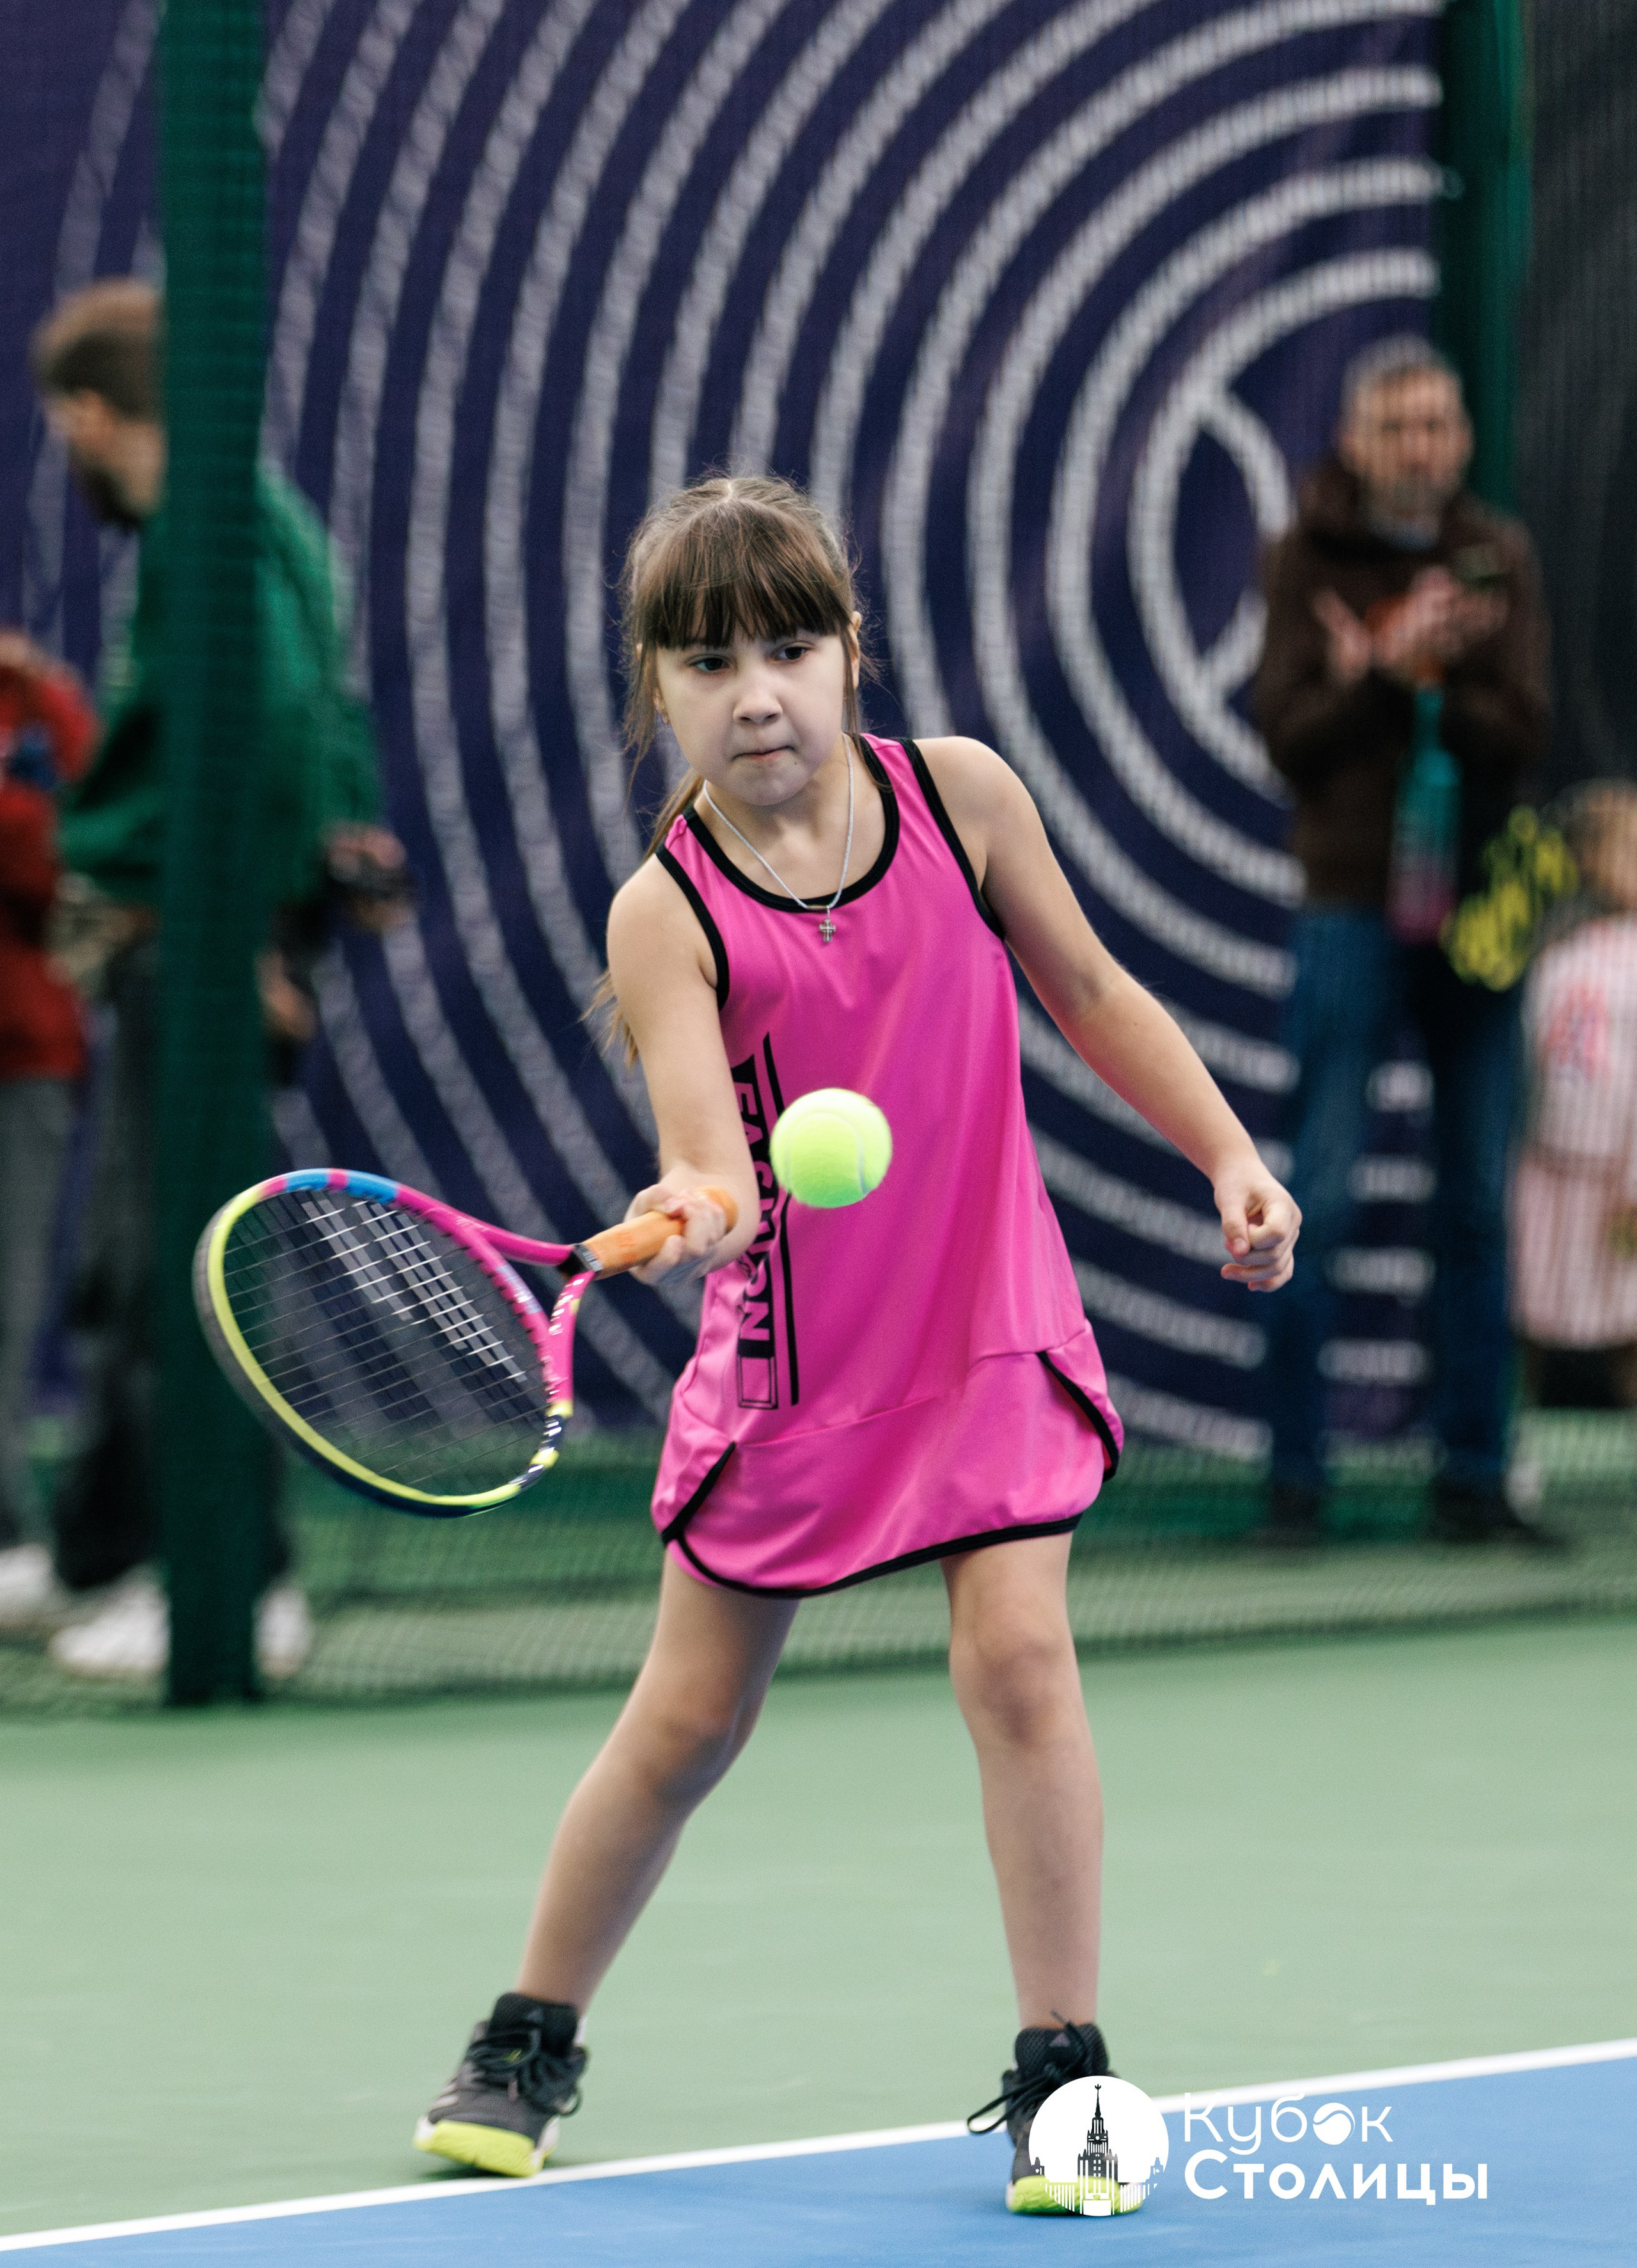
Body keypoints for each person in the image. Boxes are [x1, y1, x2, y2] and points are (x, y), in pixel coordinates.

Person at [411, 476, 1301, 2212]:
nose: (760, 691)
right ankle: (529, 2029)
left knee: (1023, 1666)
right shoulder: (662, 909)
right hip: (801, 1364)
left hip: (990, 1319)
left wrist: (1227, 1149)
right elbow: (707, 1156)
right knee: (684, 1725)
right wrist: (704, 1205)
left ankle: (1066, 2074)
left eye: (793, 646)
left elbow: (1096, 990)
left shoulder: (959, 797)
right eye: (710, 657)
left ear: (852, 653)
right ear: (653, 689)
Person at [18, 278, 407, 1681]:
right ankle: (102, 1552)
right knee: (135, 1262)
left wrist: (246, 936)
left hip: (204, 953)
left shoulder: (211, 526)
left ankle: (240, 1583)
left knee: (202, 1268)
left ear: (84, 413)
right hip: (191, 947)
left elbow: (286, 718)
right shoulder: (245, 515)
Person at [1253, 336, 1554, 1547]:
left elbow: (1525, 727)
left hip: (1477, 920)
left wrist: (1437, 661)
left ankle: (1475, 1480)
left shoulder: (1505, 555)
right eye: (1397, 427)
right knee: (1309, 1190)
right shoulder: (1302, 557)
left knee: (1478, 1202)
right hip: (1350, 911)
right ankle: (1295, 1484)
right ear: (1357, 439)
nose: (1419, 446)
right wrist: (1383, 670)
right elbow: (1289, 732)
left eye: (1438, 424)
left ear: (1463, 437)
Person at [0, 631, 98, 1629]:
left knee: (7, 1305)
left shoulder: (31, 703)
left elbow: (82, 844)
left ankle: (7, 1534)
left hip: (21, 1065)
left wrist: (46, 693)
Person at [1511, 785, 1637, 1406]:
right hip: (1546, 1163)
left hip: (1615, 1176)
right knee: (1524, 1309)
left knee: (1626, 1320)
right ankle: (1505, 1453)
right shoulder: (1553, 948)